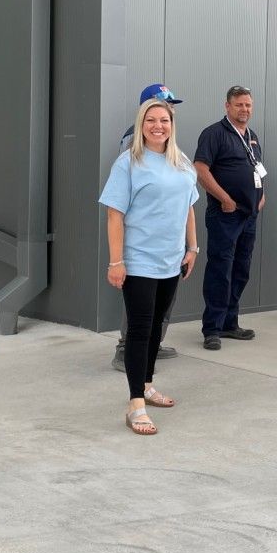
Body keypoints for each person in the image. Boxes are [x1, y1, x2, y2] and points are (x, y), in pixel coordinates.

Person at [99, 99, 200, 436]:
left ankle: (146, 383)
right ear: (142, 125)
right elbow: (115, 214)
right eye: (151, 120)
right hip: (139, 260)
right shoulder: (128, 163)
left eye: (165, 120)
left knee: (157, 327)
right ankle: (135, 404)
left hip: (171, 260)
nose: (159, 126)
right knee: (140, 332)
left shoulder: (182, 161)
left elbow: (189, 206)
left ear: (172, 125)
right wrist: (116, 261)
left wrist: (193, 247)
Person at [112, 83, 185, 372]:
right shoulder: (135, 142)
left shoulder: (170, 146)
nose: (171, 110)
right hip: (144, 243)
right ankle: (125, 350)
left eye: (170, 108)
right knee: (140, 306)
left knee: (156, 308)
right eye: (164, 104)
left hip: (167, 244)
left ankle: (152, 344)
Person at [194, 86, 265, 351]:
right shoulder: (214, 134)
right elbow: (200, 169)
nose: (244, 109)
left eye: (248, 105)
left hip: (249, 215)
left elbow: (257, 169)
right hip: (225, 215)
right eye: (239, 105)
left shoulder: (252, 137)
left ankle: (229, 323)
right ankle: (212, 328)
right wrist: (224, 198)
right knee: (220, 270)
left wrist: (261, 194)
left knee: (241, 270)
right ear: (227, 106)